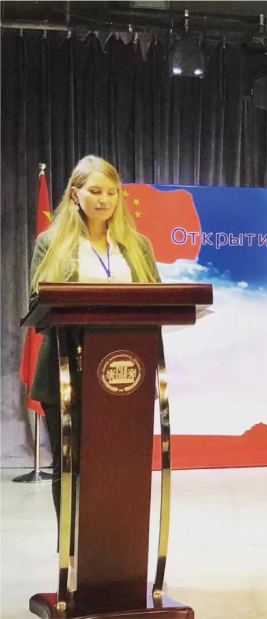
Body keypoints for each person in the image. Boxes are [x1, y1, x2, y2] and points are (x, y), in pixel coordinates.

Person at [27, 155, 161, 573]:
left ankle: (118, 564)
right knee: (70, 468)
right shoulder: (52, 242)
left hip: (125, 377)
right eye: (95, 191)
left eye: (112, 192)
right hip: (65, 371)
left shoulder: (137, 246)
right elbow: (37, 306)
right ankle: (71, 561)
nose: (104, 200)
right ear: (75, 195)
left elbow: (158, 300)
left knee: (120, 468)